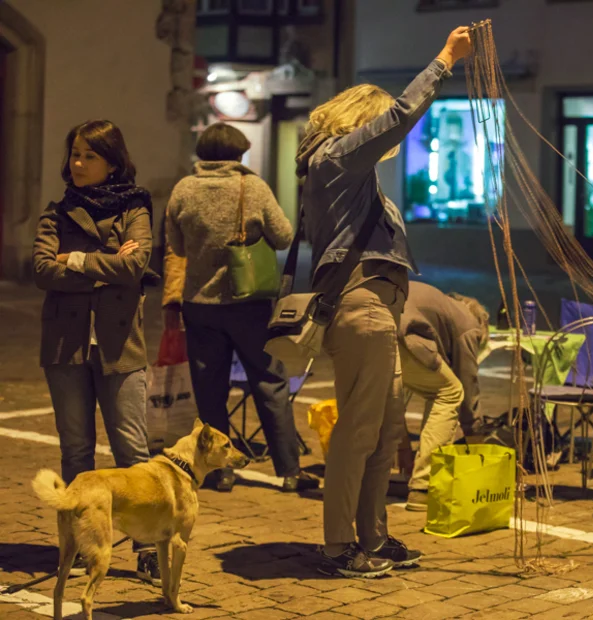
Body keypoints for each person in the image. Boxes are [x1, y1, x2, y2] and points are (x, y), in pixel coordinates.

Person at [294, 26, 472, 578]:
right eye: (377, 132)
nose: (389, 145)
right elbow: (398, 116)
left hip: (382, 310)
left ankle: (372, 534)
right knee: (358, 428)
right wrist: (444, 60)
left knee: (386, 428)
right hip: (361, 306)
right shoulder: (336, 160)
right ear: (357, 122)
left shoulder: (353, 176)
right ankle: (338, 546)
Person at [32, 120, 161, 585]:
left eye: (88, 155)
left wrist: (79, 260)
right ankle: (80, 543)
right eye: (74, 154)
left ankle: (147, 547)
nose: (77, 163)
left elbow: (135, 265)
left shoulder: (134, 207)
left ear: (112, 161)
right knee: (76, 452)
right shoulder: (57, 211)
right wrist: (109, 265)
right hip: (65, 344)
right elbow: (44, 270)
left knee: (132, 450)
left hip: (119, 343)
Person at [164, 122, 315, 493]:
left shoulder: (183, 189)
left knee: (210, 388)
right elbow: (283, 236)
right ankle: (289, 470)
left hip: (199, 305)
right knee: (270, 383)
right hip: (250, 306)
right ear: (239, 154)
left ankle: (219, 472)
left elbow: (176, 246)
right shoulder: (253, 186)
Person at [399, 282, 490, 512]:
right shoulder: (469, 323)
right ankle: (423, 487)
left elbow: (393, 400)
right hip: (401, 332)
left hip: (367, 324)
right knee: (451, 392)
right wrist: (475, 438)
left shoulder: (439, 306)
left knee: (423, 390)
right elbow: (468, 385)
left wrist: (403, 451)